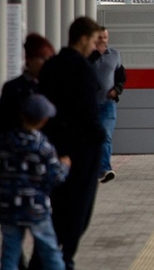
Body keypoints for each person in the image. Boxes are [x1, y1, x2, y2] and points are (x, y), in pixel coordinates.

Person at [31, 17, 104, 270]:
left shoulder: (51, 66)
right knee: (77, 213)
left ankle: (46, 260)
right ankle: (63, 261)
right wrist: (99, 136)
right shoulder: (82, 69)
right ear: (83, 38)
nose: (96, 46)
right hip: (82, 152)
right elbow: (88, 112)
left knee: (57, 209)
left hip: (54, 148)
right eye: (94, 40)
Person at [0, 94, 71, 270]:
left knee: (10, 252)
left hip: (8, 206)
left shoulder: (5, 141)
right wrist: (65, 165)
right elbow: (56, 177)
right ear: (44, 120)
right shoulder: (43, 147)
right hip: (36, 208)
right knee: (50, 252)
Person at [89, 27, 126, 184]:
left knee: (105, 134)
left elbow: (121, 77)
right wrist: (96, 54)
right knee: (92, 138)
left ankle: (105, 168)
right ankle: (94, 169)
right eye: (100, 37)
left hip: (108, 104)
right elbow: (83, 70)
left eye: (105, 37)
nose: (103, 40)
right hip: (89, 104)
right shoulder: (87, 55)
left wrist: (117, 90)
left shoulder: (115, 55)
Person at [0, 34, 56, 135]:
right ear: (29, 60)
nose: (47, 63)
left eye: (50, 59)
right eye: (43, 58)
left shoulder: (53, 86)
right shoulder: (13, 87)